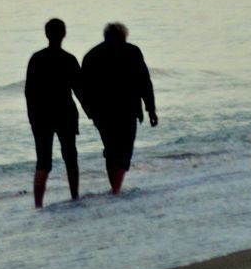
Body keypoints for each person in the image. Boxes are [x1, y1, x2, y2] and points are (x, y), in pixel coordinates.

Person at [81, 22, 158, 195]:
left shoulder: (91, 56)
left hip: (102, 113)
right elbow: (144, 82)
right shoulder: (132, 51)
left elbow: (83, 89)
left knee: (111, 149)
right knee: (125, 150)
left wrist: (90, 113)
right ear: (123, 36)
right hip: (128, 109)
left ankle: (115, 187)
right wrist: (151, 109)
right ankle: (116, 187)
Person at [24, 18, 84, 208]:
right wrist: (93, 113)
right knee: (70, 158)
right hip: (65, 113)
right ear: (64, 34)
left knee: (43, 162)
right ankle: (75, 197)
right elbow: (81, 91)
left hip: (41, 116)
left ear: (46, 34)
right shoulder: (69, 59)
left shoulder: (36, 59)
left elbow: (29, 92)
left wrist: (32, 117)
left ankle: (38, 205)